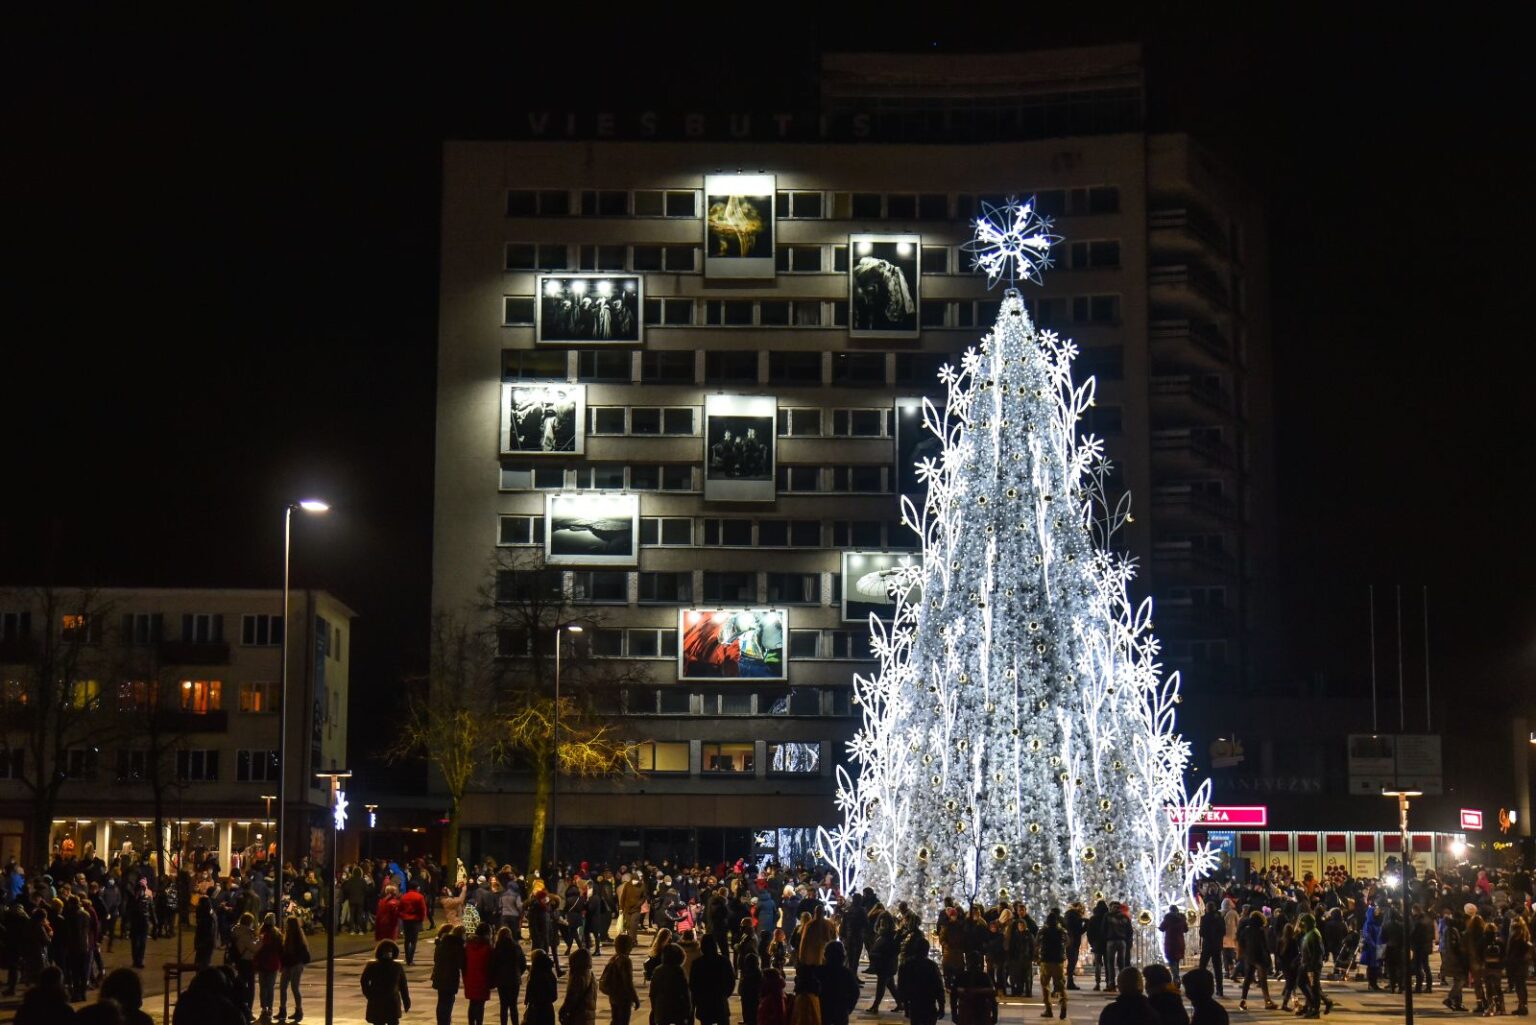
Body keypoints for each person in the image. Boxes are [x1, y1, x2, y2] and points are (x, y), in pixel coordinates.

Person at [362, 940, 412, 1025]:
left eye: (389, 951)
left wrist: (406, 1000)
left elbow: (403, 985)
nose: (388, 954)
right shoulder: (373, 966)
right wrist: (370, 995)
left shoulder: (397, 967)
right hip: (382, 1001)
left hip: (388, 1002)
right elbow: (364, 981)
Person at [897, 935, 945, 1025]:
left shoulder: (906, 965)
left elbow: (901, 986)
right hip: (929, 1003)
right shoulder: (931, 966)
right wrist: (941, 1005)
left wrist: (905, 1005)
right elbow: (939, 987)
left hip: (915, 1003)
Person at [600, 933, 643, 1025]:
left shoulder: (614, 958)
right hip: (623, 997)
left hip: (613, 995)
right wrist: (635, 998)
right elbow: (628, 982)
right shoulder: (626, 961)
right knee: (623, 1021)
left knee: (615, 1020)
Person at [1237, 911, 1275, 1011]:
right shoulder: (1260, 930)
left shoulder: (1246, 930)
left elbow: (1241, 942)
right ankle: (1267, 1001)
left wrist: (1243, 953)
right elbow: (1265, 945)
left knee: (1248, 979)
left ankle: (1243, 1001)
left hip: (1249, 956)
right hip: (1259, 956)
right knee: (1263, 979)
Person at [818, 941, 861, 1025]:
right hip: (841, 1010)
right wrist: (848, 1008)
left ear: (825, 955)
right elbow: (855, 993)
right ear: (843, 957)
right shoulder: (847, 973)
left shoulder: (819, 971)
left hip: (824, 1009)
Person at [650, 944, 693, 1025]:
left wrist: (654, 1007)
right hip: (677, 1005)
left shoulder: (658, 970)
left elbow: (653, 991)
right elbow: (685, 991)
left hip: (662, 1005)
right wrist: (688, 1007)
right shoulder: (678, 970)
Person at [494, 926, 529, 1025]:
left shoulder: (497, 947)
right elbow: (523, 963)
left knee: (503, 1005)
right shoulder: (516, 946)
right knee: (513, 1005)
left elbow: (494, 964)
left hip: (502, 980)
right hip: (514, 979)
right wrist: (518, 973)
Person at [279, 915, 311, 1022]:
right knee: (283, 986)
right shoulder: (289, 935)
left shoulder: (296, 936)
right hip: (289, 964)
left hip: (295, 964)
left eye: (287, 923)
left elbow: (297, 952)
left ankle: (298, 1010)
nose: (285, 925)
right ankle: (283, 1009)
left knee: (294, 987)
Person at [1039, 908, 1069, 1019]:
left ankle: (1048, 1009)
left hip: (1046, 961)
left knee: (1045, 985)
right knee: (1060, 985)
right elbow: (1068, 942)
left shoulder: (1043, 931)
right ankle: (1063, 1004)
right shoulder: (1061, 931)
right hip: (1058, 961)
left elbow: (1037, 943)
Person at [432, 924, 466, 1025]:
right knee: (448, 1002)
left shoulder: (443, 943)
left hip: (439, 975)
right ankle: (445, 1022)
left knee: (441, 1001)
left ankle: (441, 1022)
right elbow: (461, 963)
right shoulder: (457, 945)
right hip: (450, 977)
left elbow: (436, 958)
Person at [255, 915, 284, 1023]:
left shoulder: (262, 934)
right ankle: (270, 1008)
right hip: (274, 963)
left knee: (263, 987)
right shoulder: (277, 935)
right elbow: (281, 950)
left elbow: (258, 949)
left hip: (263, 963)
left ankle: (264, 1008)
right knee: (270, 987)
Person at [464, 922, 495, 1025]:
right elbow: (491, 965)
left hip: (470, 977)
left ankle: (471, 1023)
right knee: (480, 1005)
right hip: (483, 978)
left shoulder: (469, 945)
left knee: (472, 1003)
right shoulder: (488, 948)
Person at [560, 948, 598, 1025]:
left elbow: (572, 996)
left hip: (579, 1015)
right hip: (588, 1015)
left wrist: (563, 1011)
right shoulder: (591, 974)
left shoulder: (578, 976)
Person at [1196, 902, 1226, 996]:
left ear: (1207, 909)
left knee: (1202, 967)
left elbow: (1202, 932)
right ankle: (1219, 989)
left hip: (1207, 945)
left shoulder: (1204, 918)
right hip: (1216, 945)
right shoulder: (1220, 918)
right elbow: (1223, 931)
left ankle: (1201, 987)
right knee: (1218, 968)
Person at [524, 949, 559, 1025]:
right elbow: (554, 996)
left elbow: (531, 993)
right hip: (548, 1010)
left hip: (536, 1011)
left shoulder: (535, 975)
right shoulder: (550, 974)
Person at [1507, 916, 1531, 1015]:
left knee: (1519, 986)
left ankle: (1522, 1006)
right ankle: (1523, 1005)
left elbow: (1512, 951)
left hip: (1517, 964)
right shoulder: (1525, 935)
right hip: (1523, 964)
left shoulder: (1516, 936)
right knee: (1522, 985)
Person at [399, 885, 428, 965]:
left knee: (407, 940)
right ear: (416, 888)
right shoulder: (419, 897)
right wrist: (422, 919)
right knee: (414, 941)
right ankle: (410, 959)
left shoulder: (404, 896)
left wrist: (402, 916)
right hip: (415, 920)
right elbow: (422, 909)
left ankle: (407, 958)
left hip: (406, 920)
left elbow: (400, 908)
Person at [1159, 907, 1189, 983]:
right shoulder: (1182, 918)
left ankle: (1176, 977)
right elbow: (1186, 929)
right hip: (1180, 942)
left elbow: (1162, 928)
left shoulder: (1168, 918)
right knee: (1176, 960)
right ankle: (1176, 977)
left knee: (1171, 960)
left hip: (1170, 942)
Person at [739, 950, 764, 1025]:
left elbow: (741, 989)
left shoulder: (745, 974)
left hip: (746, 999)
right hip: (755, 1000)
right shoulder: (759, 974)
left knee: (747, 1015)